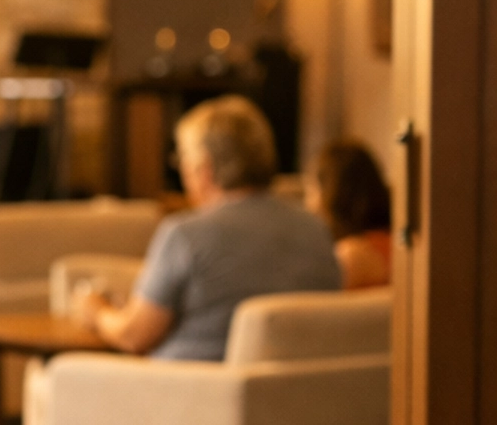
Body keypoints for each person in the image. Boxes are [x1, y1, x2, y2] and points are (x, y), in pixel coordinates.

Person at [86, 94, 340, 360]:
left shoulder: (184, 235)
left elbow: (133, 335)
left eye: (183, 159)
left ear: (203, 167)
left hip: (184, 383)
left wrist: (96, 312)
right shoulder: (317, 230)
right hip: (295, 384)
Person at [308, 139, 393, 289]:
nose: (308, 202)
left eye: (311, 189)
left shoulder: (348, 257)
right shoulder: (394, 245)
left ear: (329, 193)